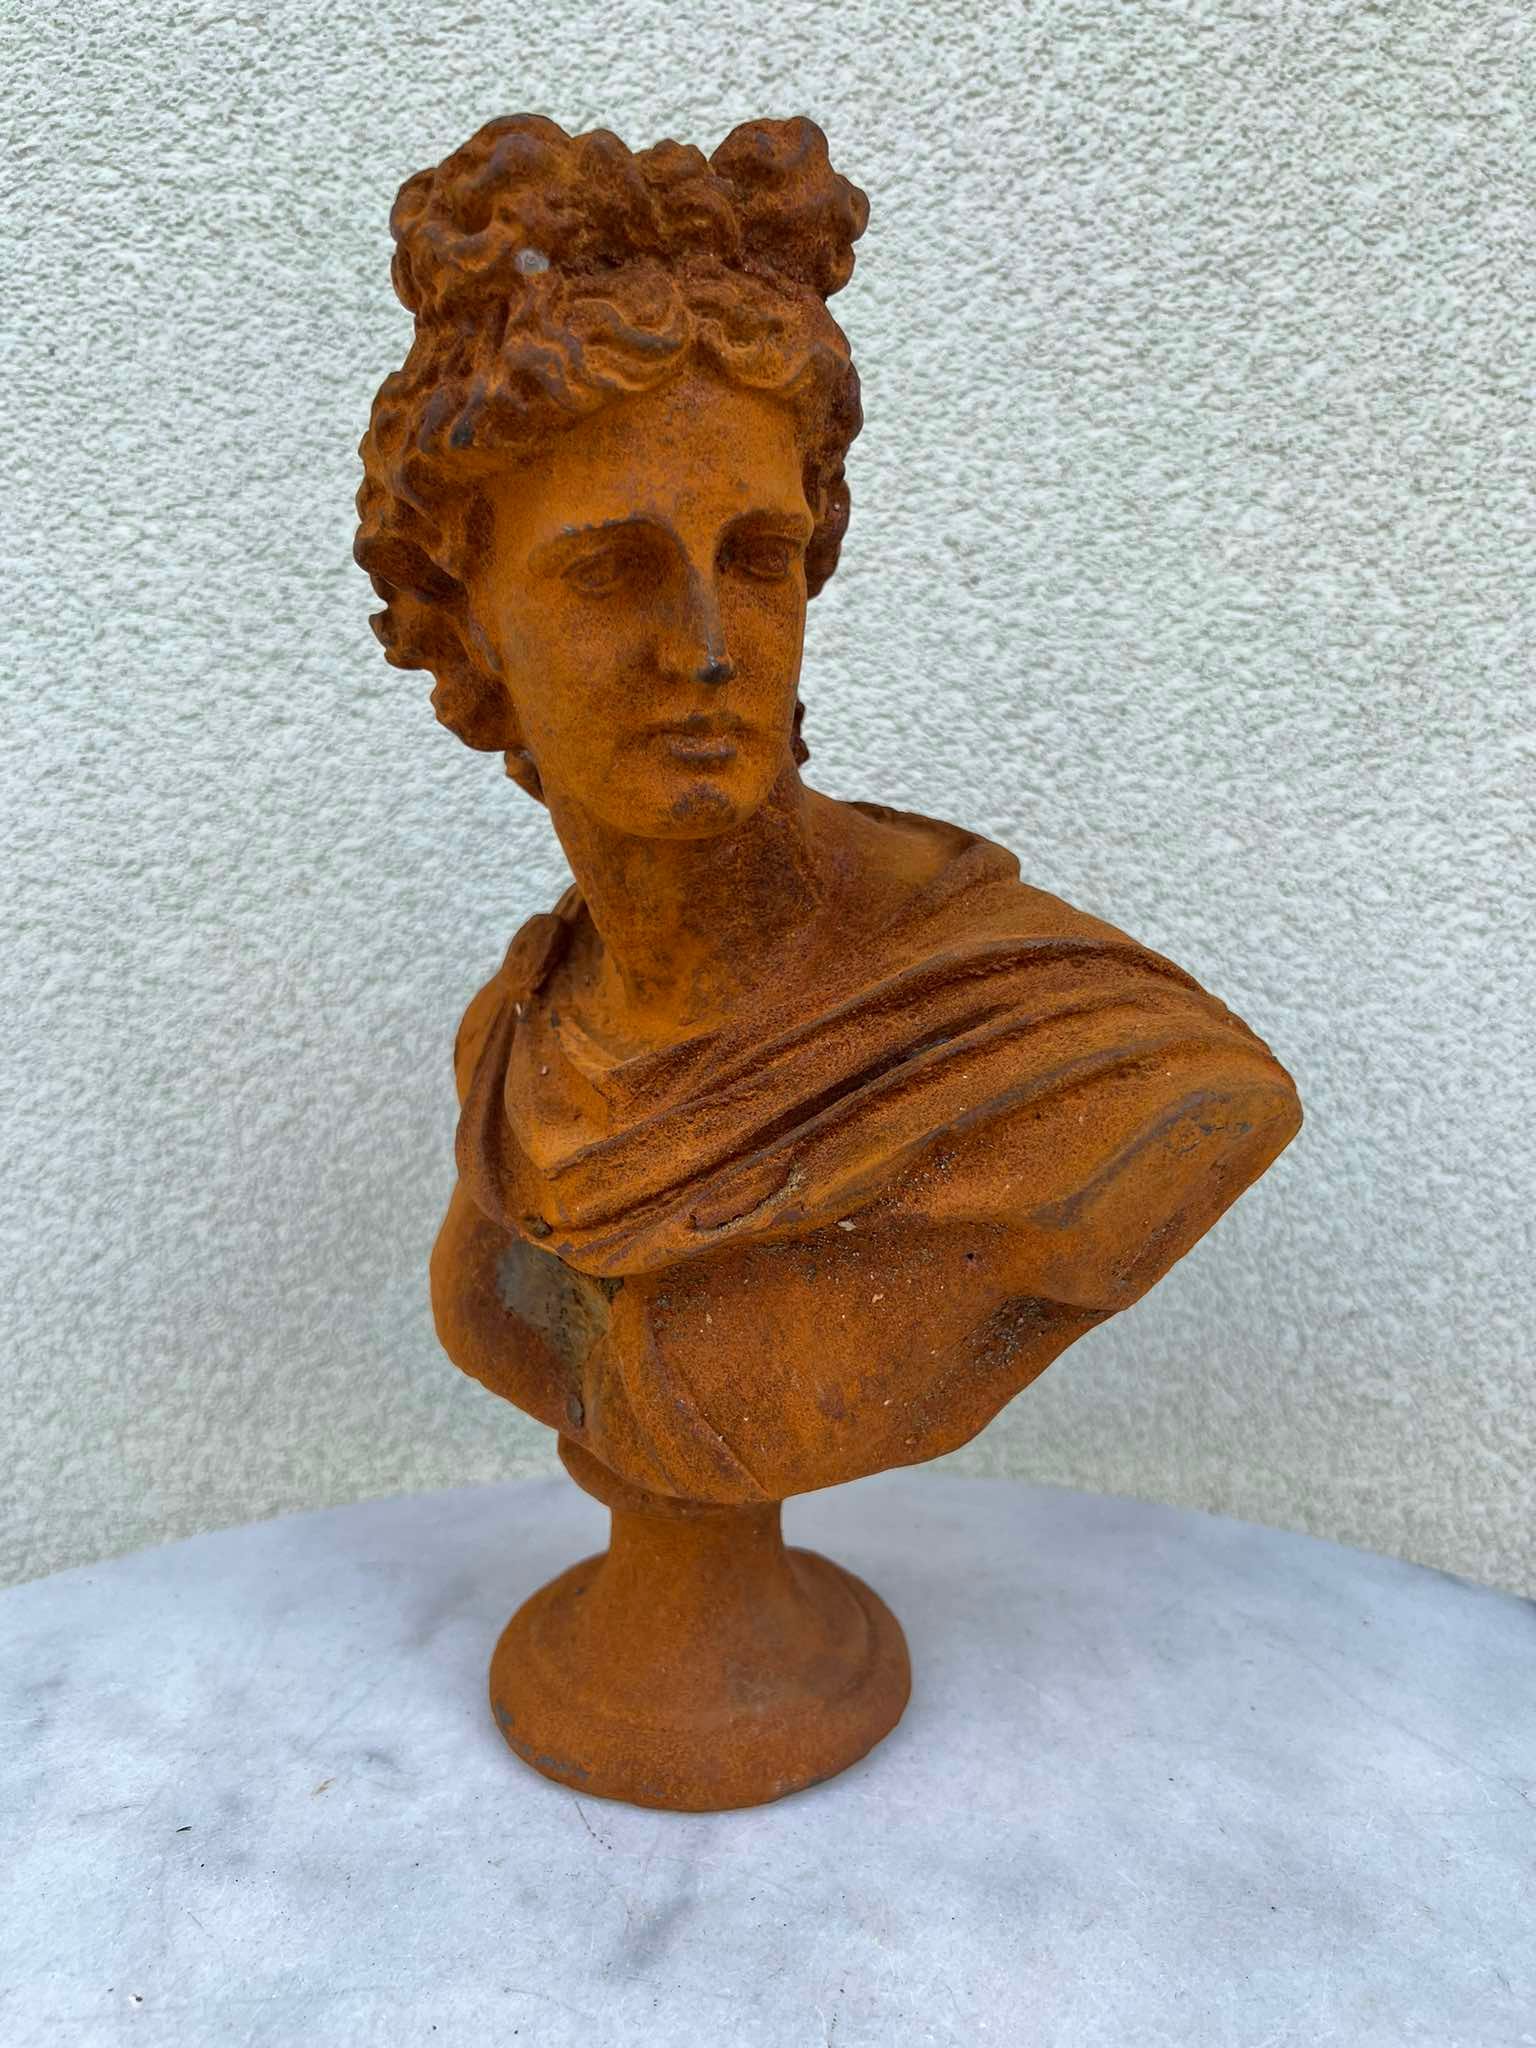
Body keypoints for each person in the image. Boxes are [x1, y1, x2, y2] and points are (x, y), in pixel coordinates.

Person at [355, 114, 1302, 1506]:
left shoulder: (1081, 1057)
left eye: (755, 560)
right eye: (612, 572)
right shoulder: (519, 1026)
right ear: (467, 620)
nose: (706, 649)